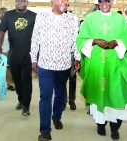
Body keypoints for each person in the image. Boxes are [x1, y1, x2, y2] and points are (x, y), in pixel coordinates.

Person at [76, 0, 127, 140]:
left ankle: (115, 128)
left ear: (112, 2)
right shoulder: (90, 18)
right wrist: (95, 41)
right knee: (98, 93)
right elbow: (81, 39)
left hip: (116, 64)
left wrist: (117, 42)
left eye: (108, 1)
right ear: (98, 2)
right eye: (101, 1)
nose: (104, 3)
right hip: (97, 64)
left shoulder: (120, 19)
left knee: (116, 93)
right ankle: (100, 124)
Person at [30, 0, 80, 140]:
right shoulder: (42, 16)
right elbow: (35, 38)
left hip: (63, 65)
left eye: (66, 0)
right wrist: (34, 58)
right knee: (45, 96)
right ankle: (45, 131)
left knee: (60, 94)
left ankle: (56, 117)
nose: (64, 2)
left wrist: (77, 58)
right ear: (52, 1)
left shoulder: (72, 18)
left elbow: (75, 40)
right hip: (45, 64)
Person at [0, 0, 36, 116]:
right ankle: (21, 100)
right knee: (17, 81)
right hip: (13, 55)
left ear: (27, 2)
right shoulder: (9, 15)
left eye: (22, 0)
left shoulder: (34, 16)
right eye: (17, 0)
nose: (20, 2)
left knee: (26, 81)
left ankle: (26, 106)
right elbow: (1, 31)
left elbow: (40, 34)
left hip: (28, 55)